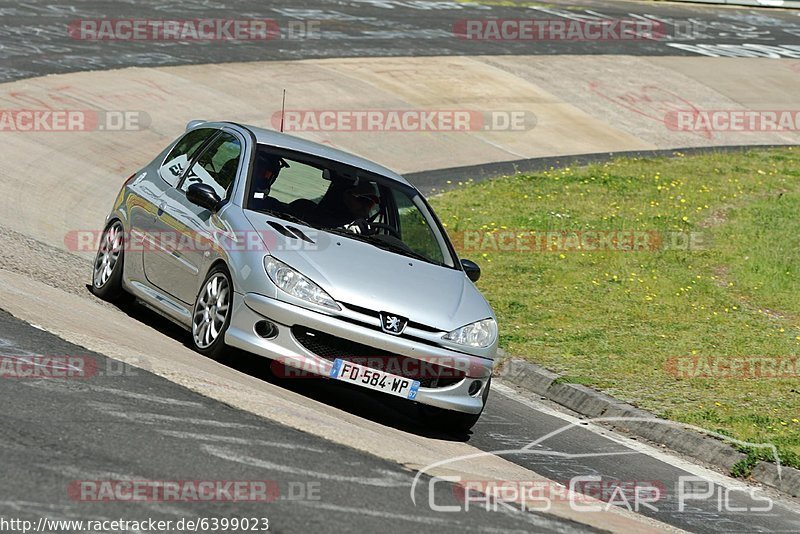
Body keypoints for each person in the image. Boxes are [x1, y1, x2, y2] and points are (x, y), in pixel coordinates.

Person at [291, 177, 380, 228]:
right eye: (362, 200)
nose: (366, 207)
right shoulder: (304, 210)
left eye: (370, 204)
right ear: (346, 196)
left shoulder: (363, 231)